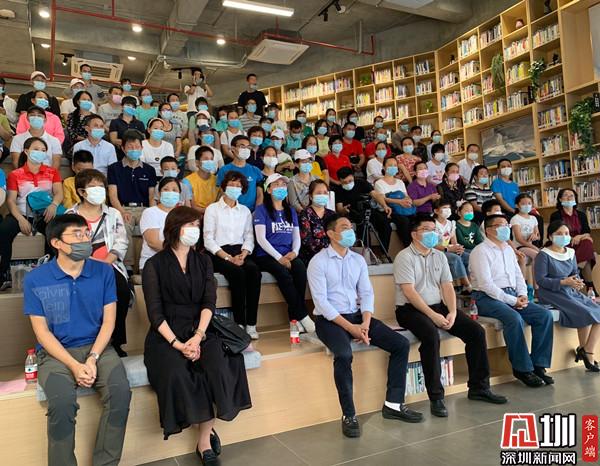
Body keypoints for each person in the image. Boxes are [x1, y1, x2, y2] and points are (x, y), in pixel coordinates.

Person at [143, 206, 251, 464]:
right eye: (189, 225)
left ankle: (204, 441)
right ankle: (203, 427)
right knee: (176, 371)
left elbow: (208, 302)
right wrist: (178, 344)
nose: (195, 230)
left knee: (217, 365)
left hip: (201, 328)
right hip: (167, 333)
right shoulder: (154, 264)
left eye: (197, 226)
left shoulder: (203, 261)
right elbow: (155, 313)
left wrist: (199, 335)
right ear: (174, 228)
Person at [23, 214, 131, 466]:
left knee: (120, 393)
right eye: (77, 234)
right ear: (56, 243)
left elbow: (109, 322)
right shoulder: (35, 279)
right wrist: (74, 365)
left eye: (86, 233)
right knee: (62, 404)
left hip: (98, 348)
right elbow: (42, 333)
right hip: (55, 353)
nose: (85, 239)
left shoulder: (103, 272)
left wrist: (92, 358)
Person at [308, 214, 423, 437]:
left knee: (400, 344)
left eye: (350, 227)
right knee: (343, 354)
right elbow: (321, 303)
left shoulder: (358, 260)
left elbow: (367, 293)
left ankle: (393, 404)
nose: (350, 231)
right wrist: (351, 329)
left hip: (358, 317)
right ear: (331, 234)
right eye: (344, 227)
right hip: (330, 320)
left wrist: (366, 323)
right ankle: (349, 414)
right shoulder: (318, 262)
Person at [394, 215, 507, 417]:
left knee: (476, 332)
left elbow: (447, 286)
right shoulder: (404, 257)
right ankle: (436, 397)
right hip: (409, 309)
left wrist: (453, 311)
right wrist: (433, 316)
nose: (432, 234)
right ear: (414, 234)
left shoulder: (439, 256)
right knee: (431, 336)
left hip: (438, 306)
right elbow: (409, 292)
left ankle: (479, 388)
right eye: (426, 230)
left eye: (433, 230)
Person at [470, 214, 555, 387]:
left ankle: (538, 365)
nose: (505, 228)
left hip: (512, 294)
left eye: (506, 225)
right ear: (489, 230)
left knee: (544, 315)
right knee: (514, 318)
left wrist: (522, 294)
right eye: (500, 225)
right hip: (486, 297)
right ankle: (522, 369)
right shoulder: (480, 251)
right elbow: (486, 284)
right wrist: (512, 300)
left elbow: (517, 275)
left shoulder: (509, 249)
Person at [67, 169, 130, 356]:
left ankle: (116, 341)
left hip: (109, 265)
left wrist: (107, 261)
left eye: (101, 186)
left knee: (121, 291)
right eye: (93, 187)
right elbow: (68, 245)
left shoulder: (113, 213)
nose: (99, 190)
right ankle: (86, 341)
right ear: (81, 192)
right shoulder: (70, 215)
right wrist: (90, 261)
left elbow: (122, 241)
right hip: (80, 265)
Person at [534, 221, 600, 373]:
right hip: (552, 293)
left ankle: (585, 349)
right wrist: (563, 282)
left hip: (569, 290)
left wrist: (577, 282)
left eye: (566, 233)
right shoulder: (543, 255)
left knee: (595, 311)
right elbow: (541, 280)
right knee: (585, 312)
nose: (564, 236)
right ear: (550, 236)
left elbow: (574, 273)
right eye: (559, 234)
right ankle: (588, 353)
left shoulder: (570, 252)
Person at [253, 173, 315, 333]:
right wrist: (279, 257)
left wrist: (294, 252)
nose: (281, 187)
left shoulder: (290, 210)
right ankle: (303, 315)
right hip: (267, 255)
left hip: (288, 253)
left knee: (300, 270)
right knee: (283, 274)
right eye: (276, 184)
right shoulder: (261, 210)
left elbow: (296, 235)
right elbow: (261, 239)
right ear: (268, 189)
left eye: (283, 185)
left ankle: (294, 318)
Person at [204, 171, 262, 339]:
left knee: (254, 272)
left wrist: (243, 255)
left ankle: (251, 323)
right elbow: (208, 239)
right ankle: (239, 323)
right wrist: (228, 258)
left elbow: (249, 236)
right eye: (231, 184)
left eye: (238, 185)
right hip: (218, 252)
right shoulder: (212, 209)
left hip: (240, 251)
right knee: (237, 273)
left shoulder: (244, 211)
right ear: (224, 186)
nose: (235, 188)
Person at [0, 137, 63, 287]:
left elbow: (59, 193)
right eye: (36, 149)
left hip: (44, 213)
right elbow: (11, 201)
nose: (40, 152)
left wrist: (54, 204)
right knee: (4, 230)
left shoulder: (52, 172)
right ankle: (3, 275)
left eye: (43, 150)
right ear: (26, 151)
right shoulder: (15, 174)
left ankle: (51, 273)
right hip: (21, 213)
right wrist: (21, 219)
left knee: (55, 231)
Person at [107, 130, 157, 269]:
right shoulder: (114, 168)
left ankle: (146, 266)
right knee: (124, 227)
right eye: (130, 147)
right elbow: (113, 195)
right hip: (123, 207)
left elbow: (151, 196)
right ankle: (128, 266)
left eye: (137, 147)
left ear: (142, 148)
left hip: (144, 208)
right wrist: (122, 212)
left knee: (150, 227)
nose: (134, 150)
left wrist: (151, 212)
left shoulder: (149, 170)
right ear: (123, 148)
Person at [335, 166, 393, 251]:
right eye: (345, 182)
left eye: (350, 181)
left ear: (353, 176)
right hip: (352, 213)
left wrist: (385, 205)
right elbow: (339, 208)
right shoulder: (338, 190)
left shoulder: (361, 183)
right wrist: (343, 210)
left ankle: (383, 252)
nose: (348, 184)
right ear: (340, 181)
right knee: (362, 226)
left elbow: (375, 194)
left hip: (368, 210)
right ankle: (366, 252)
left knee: (385, 225)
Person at [550, 188, 596, 283]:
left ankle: (575, 270)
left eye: (571, 196)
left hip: (579, 242)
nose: (569, 197)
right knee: (586, 259)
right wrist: (570, 238)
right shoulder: (555, 215)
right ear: (560, 199)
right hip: (564, 243)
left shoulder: (581, 215)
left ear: (575, 198)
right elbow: (554, 232)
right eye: (566, 195)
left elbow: (587, 232)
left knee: (587, 241)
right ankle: (589, 285)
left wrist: (579, 237)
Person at [138, 176, 182, 270]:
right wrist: (179, 252)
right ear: (159, 193)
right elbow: (153, 242)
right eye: (166, 189)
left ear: (179, 194)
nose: (170, 192)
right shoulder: (150, 212)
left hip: (179, 263)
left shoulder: (183, 214)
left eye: (174, 190)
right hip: (153, 264)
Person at [373, 157, 413, 249]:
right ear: (384, 167)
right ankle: (384, 252)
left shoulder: (400, 182)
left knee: (408, 221)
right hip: (385, 210)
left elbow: (406, 196)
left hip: (399, 210)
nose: (393, 167)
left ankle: (410, 248)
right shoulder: (379, 183)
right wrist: (399, 201)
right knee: (387, 226)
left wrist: (408, 200)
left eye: (395, 165)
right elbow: (383, 198)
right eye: (390, 165)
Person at [433, 199, 472, 293]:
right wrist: (448, 249)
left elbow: (454, 240)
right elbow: (433, 244)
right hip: (437, 251)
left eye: (449, 208)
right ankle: (467, 285)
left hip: (449, 248)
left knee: (468, 256)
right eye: (444, 208)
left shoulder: (451, 223)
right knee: (455, 258)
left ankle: (471, 282)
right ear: (436, 211)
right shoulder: (433, 224)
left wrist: (458, 248)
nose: (447, 210)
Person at [216, 135, 263, 211]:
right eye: (242, 146)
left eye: (248, 147)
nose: (246, 150)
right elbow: (221, 192)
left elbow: (260, 195)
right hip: (230, 211)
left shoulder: (255, 170)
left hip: (251, 212)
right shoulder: (224, 170)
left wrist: (257, 212)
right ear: (233, 148)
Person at [299, 179, 335, 264]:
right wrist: (325, 252)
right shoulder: (305, 214)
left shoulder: (332, 214)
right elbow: (306, 240)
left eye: (325, 193)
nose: (322, 195)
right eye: (318, 193)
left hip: (333, 255)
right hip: (312, 257)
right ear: (311, 196)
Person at [510, 193, 541, 281]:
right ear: (517, 205)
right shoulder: (515, 219)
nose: (527, 205)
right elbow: (519, 239)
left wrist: (535, 236)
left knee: (539, 256)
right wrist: (534, 247)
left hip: (529, 246)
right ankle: (533, 286)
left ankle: (536, 284)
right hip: (519, 247)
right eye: (523, 204)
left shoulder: (533, 218)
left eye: (529, 203)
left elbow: (538, 236)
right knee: (537, 255)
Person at [184, 146, 219, 214]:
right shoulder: (187, 181)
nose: (209, 162)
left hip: (214, 214)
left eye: (211, 159)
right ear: (197, 162)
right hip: (194, 215)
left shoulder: (217, 180)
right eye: (206, 159)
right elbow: (191, 206)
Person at [108, 96, 145, 160]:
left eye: (133, 107)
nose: (130, 108)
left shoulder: (140, 123)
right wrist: (130, 144)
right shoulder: (115, 122)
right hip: (119, 154)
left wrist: (128, 144)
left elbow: (143, 139)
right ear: (122, 106)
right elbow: (113, 140)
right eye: (128, 105)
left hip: (136, 153)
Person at [65, 90, 95, 157]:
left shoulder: (95, 117)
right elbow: (72, 134)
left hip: (92, 144)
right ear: (78, 102)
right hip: (75, 145)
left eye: (89, 100)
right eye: (84, 99)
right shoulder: (71, 116)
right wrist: (86, 140)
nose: (87, 101)